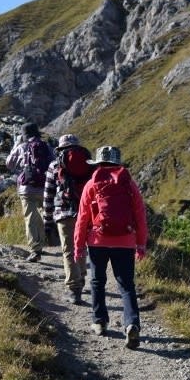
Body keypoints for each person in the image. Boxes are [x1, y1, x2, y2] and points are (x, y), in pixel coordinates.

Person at [73, 145, 148, 349]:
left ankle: (99, 321)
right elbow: (140, 215)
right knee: (126, 285)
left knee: (97, 282)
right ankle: (132, 323)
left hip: (98, 240)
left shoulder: (92, 184)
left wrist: (78, 245)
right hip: (125, 241)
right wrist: (140, 243)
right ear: (117, 163)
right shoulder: (129, 184)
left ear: (98, 163)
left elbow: (82, 217)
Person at [43, 134, 94, 304]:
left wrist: (47, 220)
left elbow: (49, 194)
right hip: (85, 213)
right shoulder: (88, 163)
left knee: (68, 250)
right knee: (81, 247)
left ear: (60, 149)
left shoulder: (54, 165)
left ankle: (74, 289)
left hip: (63, 213)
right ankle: (81, 278)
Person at [6, 122, 53, 262]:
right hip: (45, 187)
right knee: (46, 215)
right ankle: (50, 242)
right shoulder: (46, 146)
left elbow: (9, 164)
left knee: (30, 218)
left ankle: (36, 250)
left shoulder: (21, 147)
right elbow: (55, 162)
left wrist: (16, 145)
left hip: (27, 188)